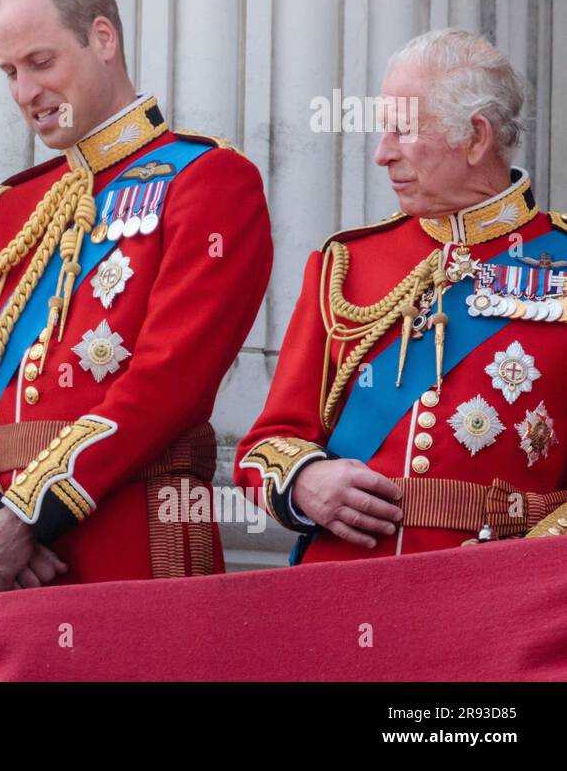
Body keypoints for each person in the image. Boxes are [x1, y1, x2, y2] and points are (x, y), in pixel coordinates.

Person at [0, 0, 273, 588]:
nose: (24, 92)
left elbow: (167, 383)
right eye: (10, 72)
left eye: (41, 62)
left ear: (102, 38)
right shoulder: (4, 213)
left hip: (137, 532)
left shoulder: (207, 180)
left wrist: (30, 514)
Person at [237, 28, 567, 562]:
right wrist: (304, 482)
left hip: (492, 603)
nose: (380, 154)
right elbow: (266, 444)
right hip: (340, 592)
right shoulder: (346, 263)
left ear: (476, 138)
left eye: (402, 131)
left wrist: (529, 569)